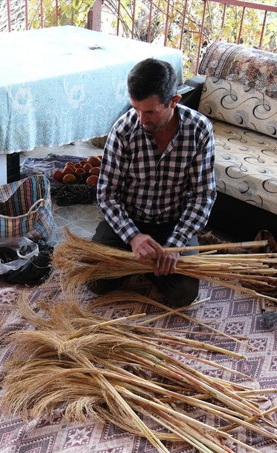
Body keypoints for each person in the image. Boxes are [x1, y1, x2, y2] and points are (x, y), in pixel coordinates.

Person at [90, 58, 216, 307]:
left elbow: (204, 196)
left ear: (174, 102)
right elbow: (107, 194)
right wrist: (134, 237)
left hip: (173, 224)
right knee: (94, 281)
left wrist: (176, 244)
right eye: (136, 108)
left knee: (184, 293)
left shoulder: (199, 130)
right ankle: (144, 261)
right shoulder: (123, 130)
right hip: (129, 222)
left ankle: (146, 263)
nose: (140, 118)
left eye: (149, 112)